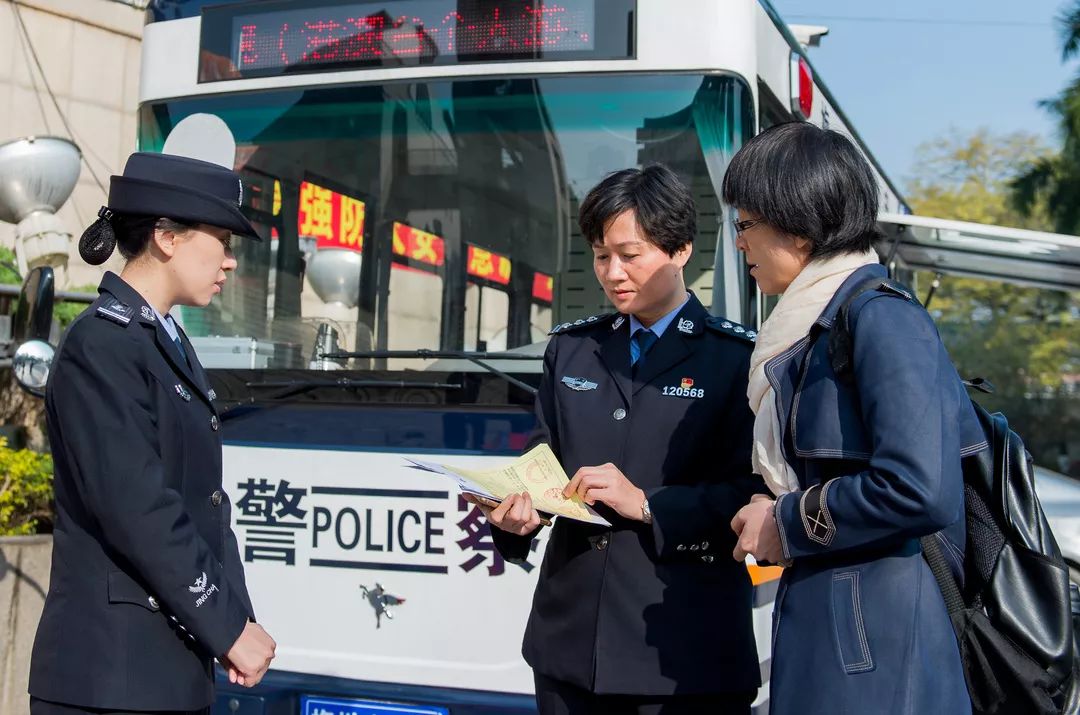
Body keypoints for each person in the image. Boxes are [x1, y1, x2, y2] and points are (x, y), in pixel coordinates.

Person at [475, 164, 764, 714]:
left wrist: (649, 505)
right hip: (569, 647)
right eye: (600, 255)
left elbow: (755, 494)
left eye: (630, 255)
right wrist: (515, 515)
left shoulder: (736, 360)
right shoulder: (572, 349)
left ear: (680, 249)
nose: (612, 273)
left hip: (683, 650)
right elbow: (544, 462)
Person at [723, 122, 986, 713]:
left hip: (882, 637)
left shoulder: (880, 318)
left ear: (797, 220)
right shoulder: (817, 324)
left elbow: (919, 490)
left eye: (745, 225)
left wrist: (786, 520)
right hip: (839, 620)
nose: (739, 244)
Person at [29, 153, 276, 714]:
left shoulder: (162, 340)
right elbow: (137, 507)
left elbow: (204, 505)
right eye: (222, 240)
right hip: (111, 677)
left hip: (160, 671)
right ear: (167, 237)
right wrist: (227, 624)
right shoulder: (104, 344)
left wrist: (234, 623)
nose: (230, 262)